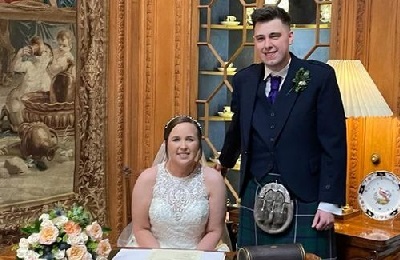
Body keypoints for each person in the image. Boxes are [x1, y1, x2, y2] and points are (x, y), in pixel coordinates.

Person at [214, 6, 347, 259]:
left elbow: (334, 144)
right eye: (261, 38)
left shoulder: (319, 77)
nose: (267, 45)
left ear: (290, 36)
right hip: (257, 190)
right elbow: (237, 129)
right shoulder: (245, 79)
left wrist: (329, 203)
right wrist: (222, 164)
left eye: (274, 36)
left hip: (305, 194)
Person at [128, 115, 227, 250]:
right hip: (154, 253)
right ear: (166, 144)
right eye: (176, 140)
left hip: (199, 254)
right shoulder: (147, 179)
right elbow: (141, 229)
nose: (183, 146)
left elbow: (214, 231)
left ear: (198, 144)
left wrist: (193, 257)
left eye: (190, 139)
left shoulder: (214, 180)